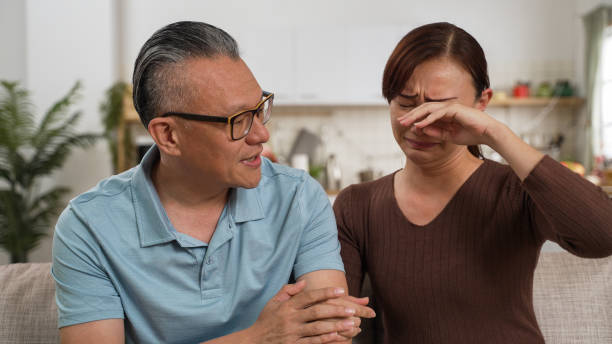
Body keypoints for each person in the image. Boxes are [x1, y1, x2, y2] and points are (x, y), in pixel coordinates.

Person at [52, 21, 374, 344]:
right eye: (239, 121)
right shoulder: (88, 226)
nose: (262, 135)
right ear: (168, 135)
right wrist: (256, 338)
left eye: (259, 109)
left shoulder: (299, 198)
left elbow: (329, 335)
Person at [333, 22, 612, 343]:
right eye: (405, 103)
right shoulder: (358, 205)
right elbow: (335, 322)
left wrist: (497, 135)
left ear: (481, 103)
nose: (418, 124)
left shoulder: (516, 191)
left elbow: (602, 237)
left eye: (441, 108)